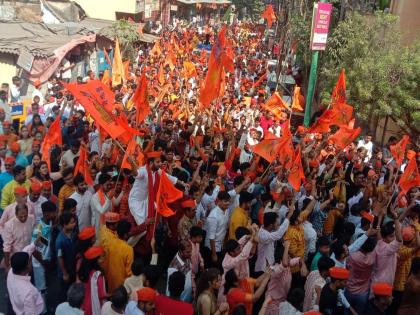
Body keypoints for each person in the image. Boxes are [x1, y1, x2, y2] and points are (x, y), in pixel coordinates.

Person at [7, 246, 44, 315]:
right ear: (27, 267)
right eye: (29, 261)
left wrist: (35, 244)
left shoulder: (11, 272)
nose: (31, 261)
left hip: (16, 307)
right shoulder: (29, 292)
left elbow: (26, 250)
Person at [2, 203, 35, 271]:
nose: (23, 218)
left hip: (29, 255)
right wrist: (7, 264)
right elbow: (7, 247)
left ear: (28, 212)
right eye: (21, 216)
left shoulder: (32, 218)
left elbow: (35, 235)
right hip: (16, 257)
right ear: (16, 214)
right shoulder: (9, 225)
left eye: (25, 216)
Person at [204, 191, 231, 269]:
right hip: (212, 248)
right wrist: (214, 254)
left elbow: (225, 227)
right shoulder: (213, 216)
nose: (228, 203)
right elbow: (211, 237)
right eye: (225, 201)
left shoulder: (227, 210)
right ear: (219, 201)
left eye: (228, 201)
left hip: (221, 245)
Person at [105, 219, 134, 292]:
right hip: (122, 286)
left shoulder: (110, 242)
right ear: (125, 235)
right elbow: (129, 272)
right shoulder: (128, 249)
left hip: (110, 281)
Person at [55, 211, 78, 303]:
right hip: (66, 271)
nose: (74, 224)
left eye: (74, 222)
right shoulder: (60, 241)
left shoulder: (72, 233)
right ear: (64, 224)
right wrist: (65, 273)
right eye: (72, 223)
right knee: (65, 292)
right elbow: (60, 258)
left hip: (72, 267)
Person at [79, 246, 108, 315]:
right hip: (94, 307)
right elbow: (102, 296)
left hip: (84, 305)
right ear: (97, 260)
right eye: (102, 256)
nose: (103, 258)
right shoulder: (98, 276)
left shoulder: (85, 271)